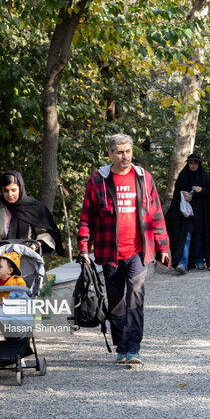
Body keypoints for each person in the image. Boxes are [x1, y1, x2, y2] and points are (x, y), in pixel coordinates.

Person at [78, 134, 170, 365]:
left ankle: (134, 348)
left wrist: (163, 246)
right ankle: (121, 347)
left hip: (138, 252)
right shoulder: (98, 180)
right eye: (119, 152)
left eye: (128, 151)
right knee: (117, 301)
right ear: (110, 154)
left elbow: (156, 214)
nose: (125, 156)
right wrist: (83, 248)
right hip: (110, 253)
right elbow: (87, 217)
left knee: (136, 298)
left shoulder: (144, 178)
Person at [0, 170, 62, 256]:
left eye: (13, 190)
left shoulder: (34, 208)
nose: (10, 194)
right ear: (1, 191)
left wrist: (36, 245)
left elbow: (44, 233)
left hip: (27, 257)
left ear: (20, 188)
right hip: (0, 259)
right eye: (6, 191)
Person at [166, 153, 210, 275]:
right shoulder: (183, 175)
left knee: (199, 237)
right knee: (186, 237)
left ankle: (199, 259)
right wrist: (182, 193)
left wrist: (201, 190)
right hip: (186, 214)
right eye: (191, 163)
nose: (193, 165)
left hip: (200, 213)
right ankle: (183, 263)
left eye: (195, 163)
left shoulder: (203, 175)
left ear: (199, 164)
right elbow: (177, 191)